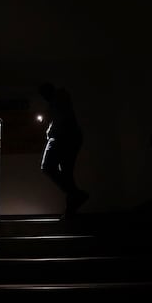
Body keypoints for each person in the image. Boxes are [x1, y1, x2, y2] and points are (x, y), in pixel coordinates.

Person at [38, 82, 89, 218]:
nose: (44, 98)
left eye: (44, 94)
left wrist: (50, 130)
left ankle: (75, 195)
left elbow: (61, 118)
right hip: (70, 137)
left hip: (63, 137)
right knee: (66, 174)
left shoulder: (59, 97)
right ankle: (71, 209)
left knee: (48, 167)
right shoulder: (57, 101)